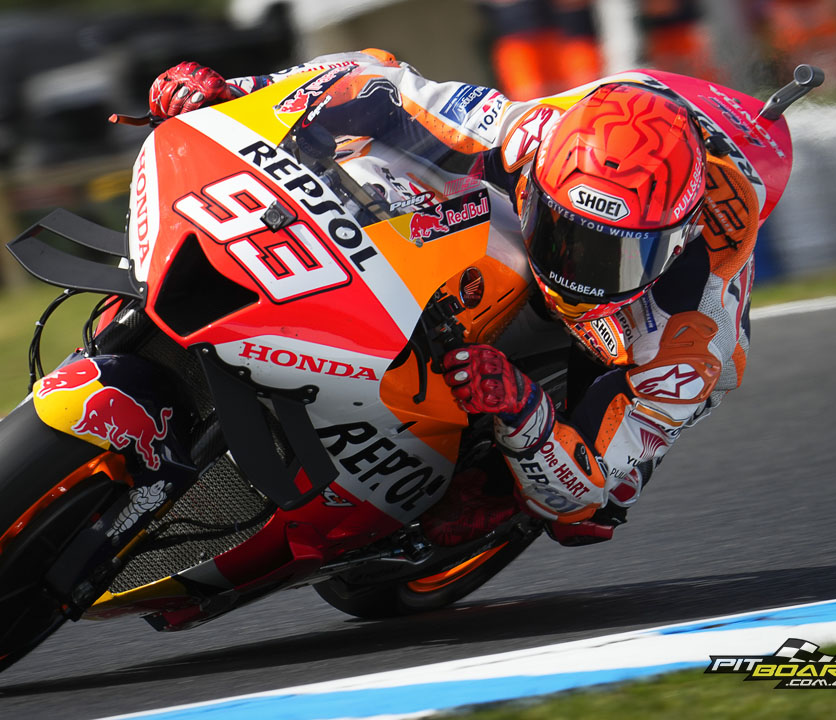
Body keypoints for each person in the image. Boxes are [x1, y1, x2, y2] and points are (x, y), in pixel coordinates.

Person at [147, 50, 756, 548]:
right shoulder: (527, 136)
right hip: (599, 144)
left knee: (587, 515)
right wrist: (238, 91)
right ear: (540, 182)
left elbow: (587, 484)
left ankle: (497, 485)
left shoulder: (697, 329)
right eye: (564, 235)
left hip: (636, 332)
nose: (577, 269)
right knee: (386, 163)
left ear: (676, 241)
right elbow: (373, 77)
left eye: (615, 256)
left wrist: (524, 411)